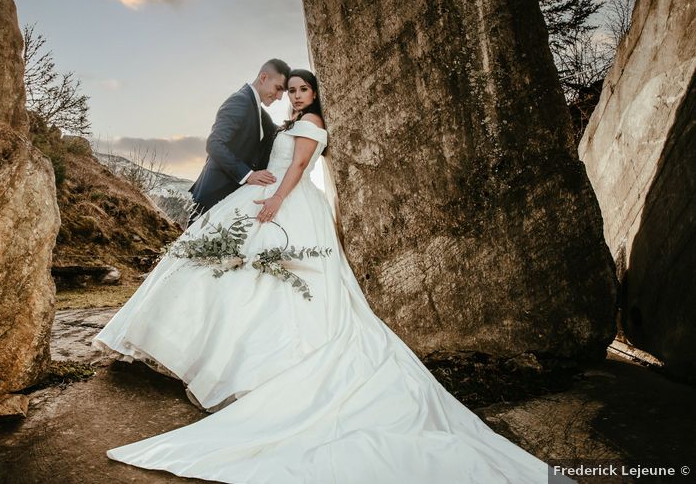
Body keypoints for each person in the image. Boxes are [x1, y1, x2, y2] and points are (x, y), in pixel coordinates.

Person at [91, 70, 564, 483]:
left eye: (302, 89)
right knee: (242, 278)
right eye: (291, 90)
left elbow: (297, 166)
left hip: (288, 201)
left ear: (315, 93)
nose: (296, 96)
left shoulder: (312, 124)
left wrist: (276, 201)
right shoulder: (292, 122)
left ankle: (265, 365)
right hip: (269, 194)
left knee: (281, 283)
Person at [186, 58, 290, 226]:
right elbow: (214, 143)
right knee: (193, 249)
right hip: (214, 193)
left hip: (231, 198)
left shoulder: (258, 110)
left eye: (283, 92)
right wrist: (248, 175)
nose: (279, 97)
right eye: (278, 89)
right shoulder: (239, 101)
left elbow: (276, 132)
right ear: (263, 77)